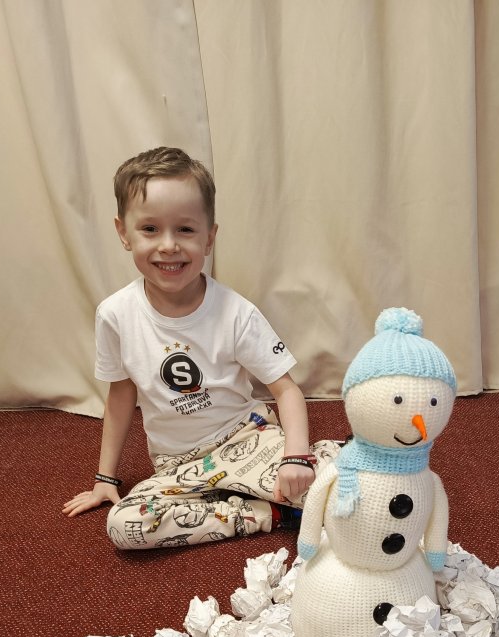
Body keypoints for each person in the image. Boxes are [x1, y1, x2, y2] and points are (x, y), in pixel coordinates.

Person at [62, 146, 338, 549]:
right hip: (177, 467)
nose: (168, 245)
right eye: (150, 229)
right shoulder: (115, 315)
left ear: (209, 238)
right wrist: (105, 478)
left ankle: (323, 461)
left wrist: (295, 456)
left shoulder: (236, 312)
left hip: (248, 441)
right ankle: (268, 514)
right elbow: (120, 394)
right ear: (123, 233)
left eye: (185, 230)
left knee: (339, 492)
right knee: (124, 526)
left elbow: (287, 390)